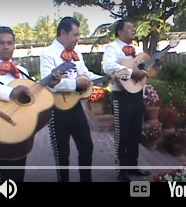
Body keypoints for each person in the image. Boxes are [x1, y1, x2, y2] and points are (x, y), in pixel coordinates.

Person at [0, 26, 60, 182]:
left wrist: (50, 83)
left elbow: (34, 92)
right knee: (2, 177)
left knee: (17, 176)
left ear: (14, 45)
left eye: (10, 43)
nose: (6, 46)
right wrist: (10, 92)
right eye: (1, 43)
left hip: (19, 128)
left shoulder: (20, 70)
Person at [40, 17, 103, 182]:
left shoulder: (77, 53)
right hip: (56, 110)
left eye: (78, 35)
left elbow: (85, 74)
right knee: (62, 156)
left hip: (76, 107)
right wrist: (75, 83)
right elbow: (48, 83)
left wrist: (103, 78)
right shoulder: (47, 53)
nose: (77, 39)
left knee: (87, 147)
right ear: (63, 33)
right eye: (75, 35)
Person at [102, 19, 163, 181]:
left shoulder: (138, 50)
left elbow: (145, 73)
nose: (134, 30)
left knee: (135, 133)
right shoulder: (112, 48)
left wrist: (156, 66)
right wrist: (130, 73)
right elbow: (108, 67)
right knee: (122, 134)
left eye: (134, 27)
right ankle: (121, 171)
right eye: (130, 28)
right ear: (120, 32)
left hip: (137, 95)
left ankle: (133, 166)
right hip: (121, 95)